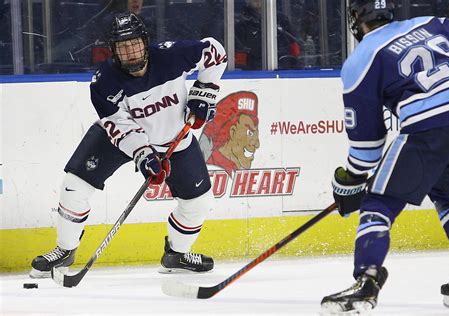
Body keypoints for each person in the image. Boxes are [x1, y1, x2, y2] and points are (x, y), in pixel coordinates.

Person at [29, 11, 227, 278]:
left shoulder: (170, 56)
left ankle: (176, 255)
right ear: (113, 51)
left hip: (173, 136)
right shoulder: (104, 82)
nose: (131, 51)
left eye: (135, 43)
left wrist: (204, 92)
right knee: (74, 186)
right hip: (118, 140)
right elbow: (119, 126)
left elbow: (215, 51)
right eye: (123, 46)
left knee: (199, 203)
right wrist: (143, 154)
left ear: (146, 42)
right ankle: (65, 251)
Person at [321, 0, 449, 313]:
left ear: (357, 19)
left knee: (378, 202)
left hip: (429, 127)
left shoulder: (361, 59)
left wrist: (350, 180)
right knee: (446, 194)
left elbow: (367, 146)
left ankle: (366, 282)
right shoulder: (433, 23)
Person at [198, 91, 260, 176]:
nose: (257, 144)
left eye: (256, 133)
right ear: (233, 132)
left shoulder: (233, 171)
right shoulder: (215, 168)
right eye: (250, 133)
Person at [234, 0, 301, 70]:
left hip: (285, 69)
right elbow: (238, 59)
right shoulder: (240, 23)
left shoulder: (281, 19)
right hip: (253, 72)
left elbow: (294, 47)